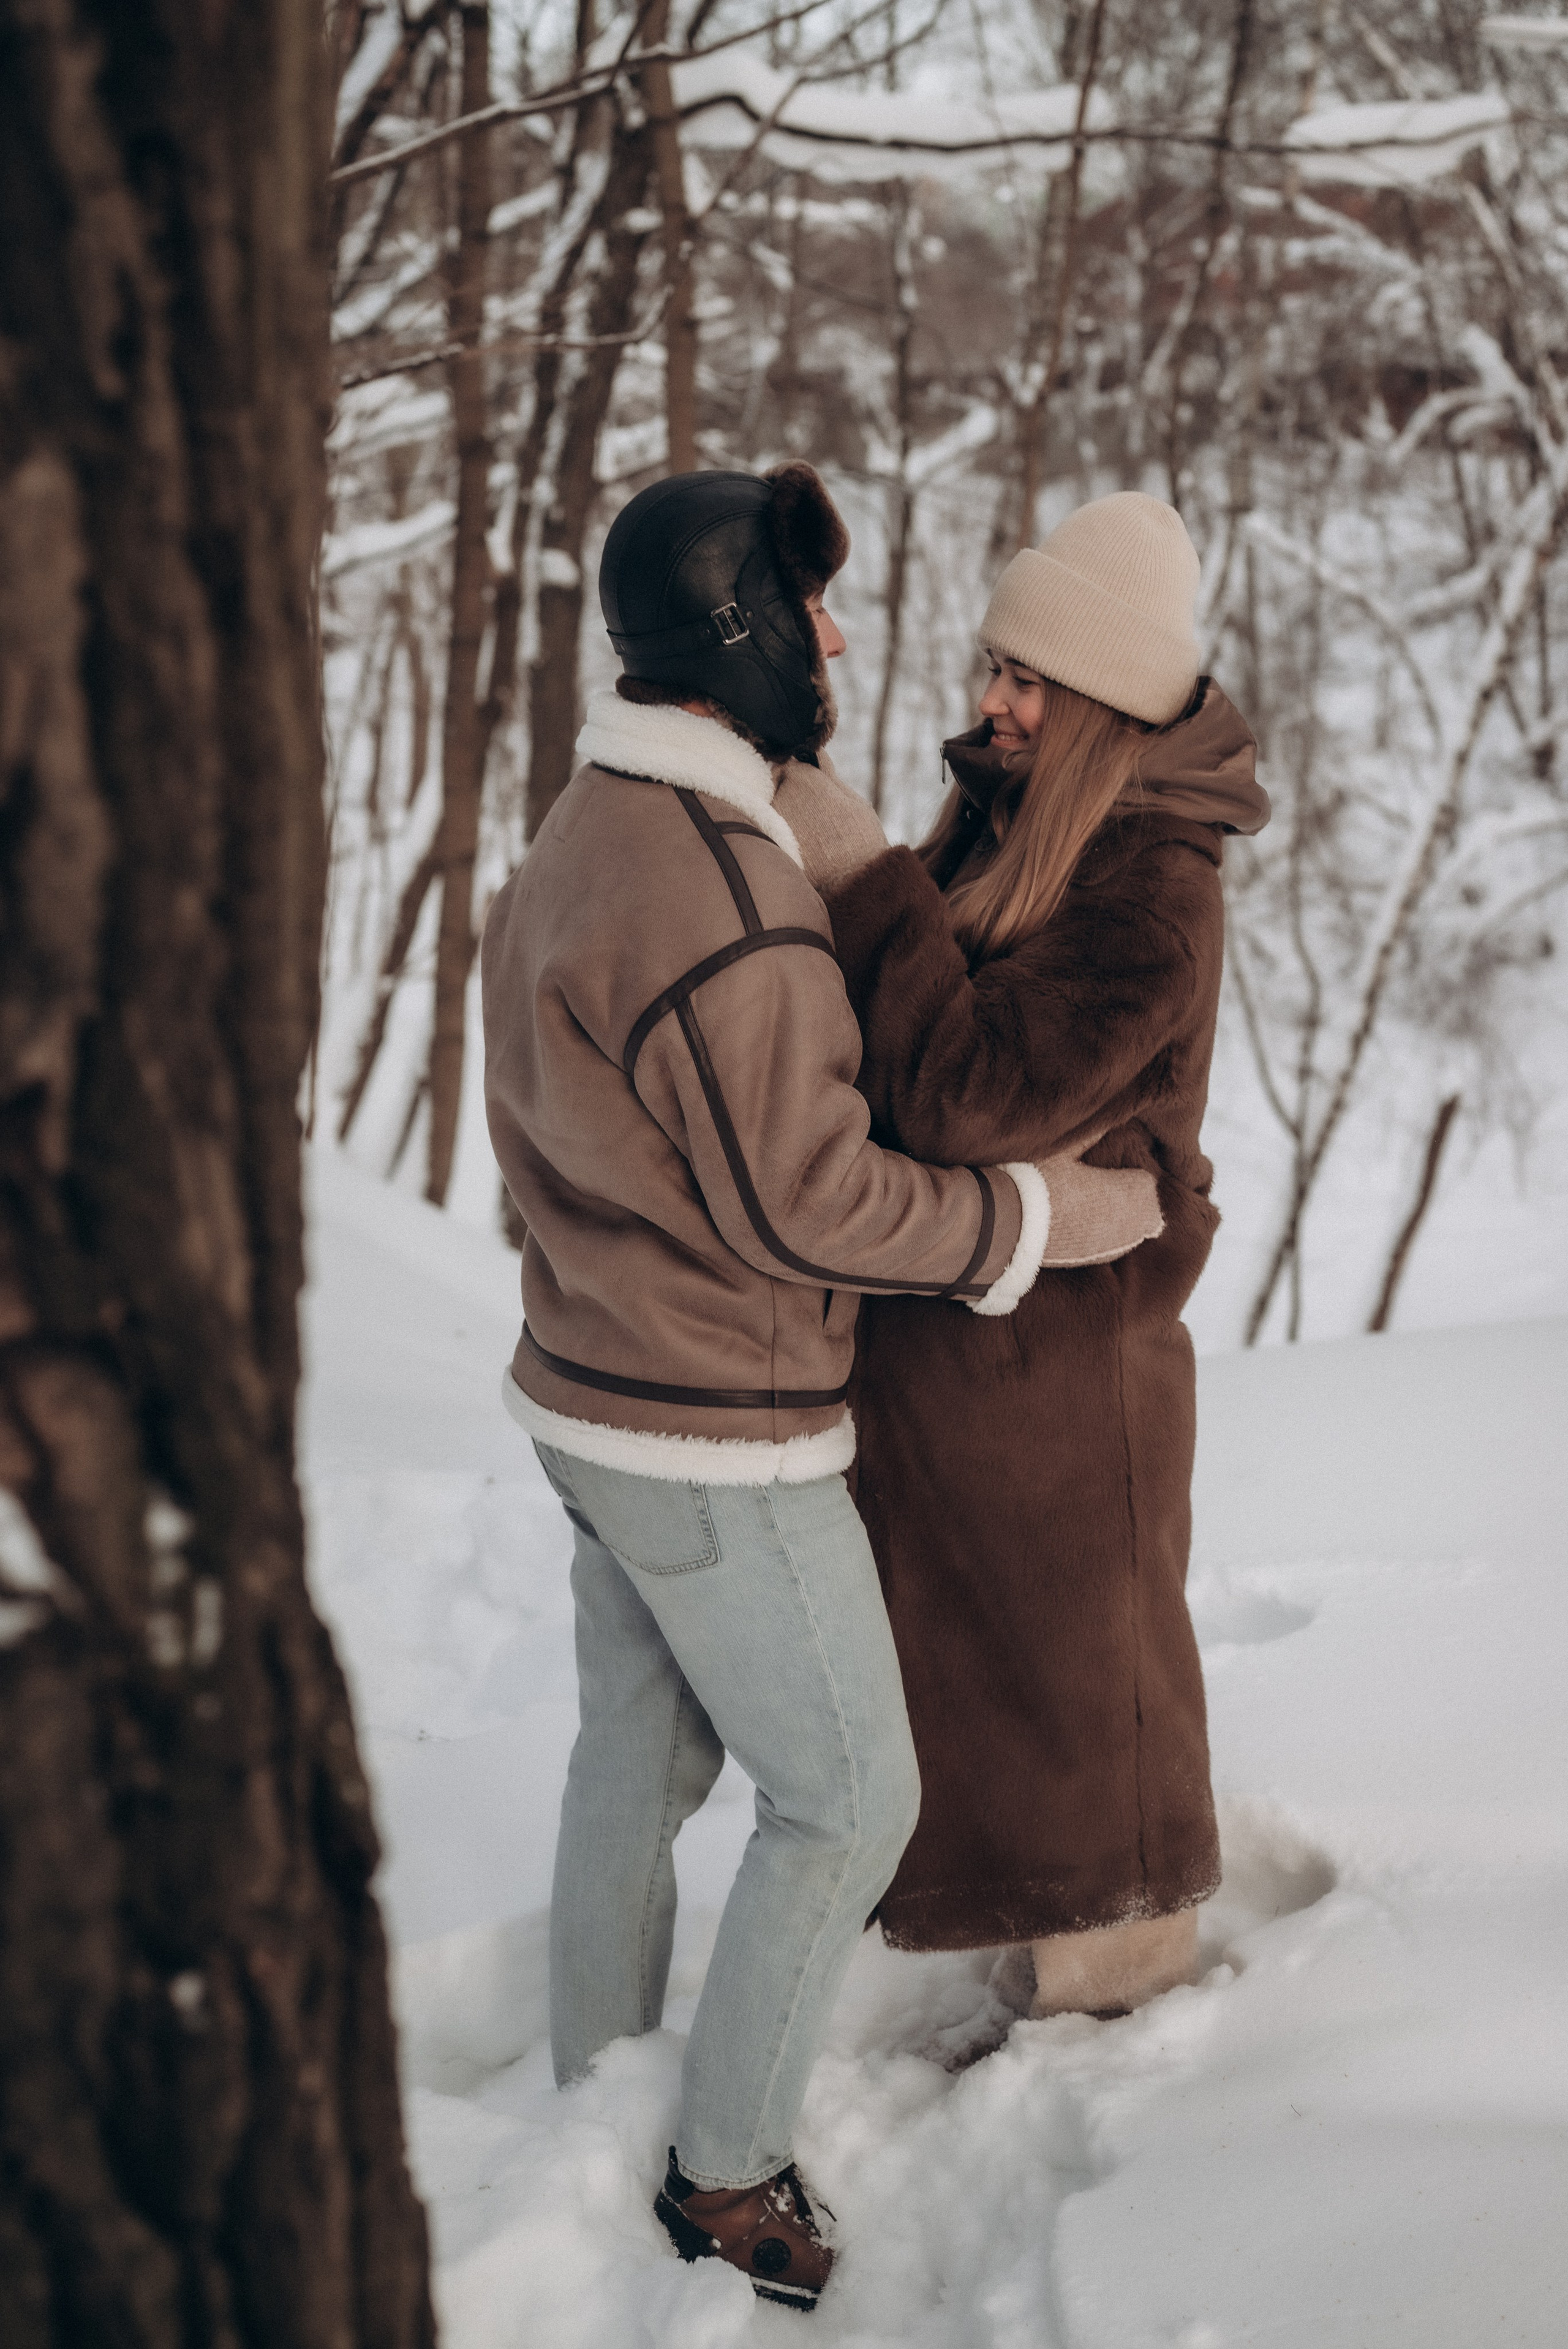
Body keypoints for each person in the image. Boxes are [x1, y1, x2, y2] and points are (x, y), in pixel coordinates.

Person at [479, 466, 1161, 2308]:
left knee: (636, 1750)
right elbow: (817, 1198)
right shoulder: (729, 902)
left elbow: (549, 1108)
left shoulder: (584, 821)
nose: (839, 640)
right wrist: (1040, 1214)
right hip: (718, 1430)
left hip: (586, 1390)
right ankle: (721, 2172)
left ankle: (597, 2092)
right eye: (806, 609)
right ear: (738, 639)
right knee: (851, 1795)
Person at [775, 491, 1271, 2019]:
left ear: (1104, 700)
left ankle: (1123, 2024)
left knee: (1087, 1716)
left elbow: (963, 1093)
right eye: (995, 666)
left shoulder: (1149, 891)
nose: (991, 699)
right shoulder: (1011, 820)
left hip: (1067, 1382)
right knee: (1006, 1705)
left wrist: (862, 879)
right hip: (981, 1367)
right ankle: (1056, 1993)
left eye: (1027, 679)